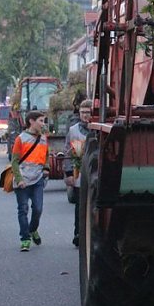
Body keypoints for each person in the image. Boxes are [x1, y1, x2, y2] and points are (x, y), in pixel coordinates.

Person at [10, 111, 49, 252]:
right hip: (23, 180)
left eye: (43, 121)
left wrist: (46, 168)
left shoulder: (44, 138)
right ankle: (25, 239)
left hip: (38, 178)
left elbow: (46, 155)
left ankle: (32, 229)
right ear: (31, 121)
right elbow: (14, 161)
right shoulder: (20, 139)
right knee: (23, 209)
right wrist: (19, 179)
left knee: (38, 209)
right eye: (41, 121)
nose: (43, 124)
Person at [64, 99, 91, 247]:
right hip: (79, 173)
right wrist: (68, 173)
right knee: (80, 205)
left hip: (95, 174)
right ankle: (78, 233)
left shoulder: (98, 129)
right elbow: (68, 152)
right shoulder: (73, 130)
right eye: (82, 113)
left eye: (87, 112)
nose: (85, 116)